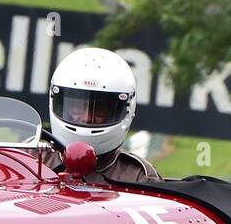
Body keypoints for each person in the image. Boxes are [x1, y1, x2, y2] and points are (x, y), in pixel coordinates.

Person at [46, 47, 160, 184]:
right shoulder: (29, 160)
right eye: (77, 107)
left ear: (125, 108)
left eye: (100, 109)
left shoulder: (139, 176)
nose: (86, 117)